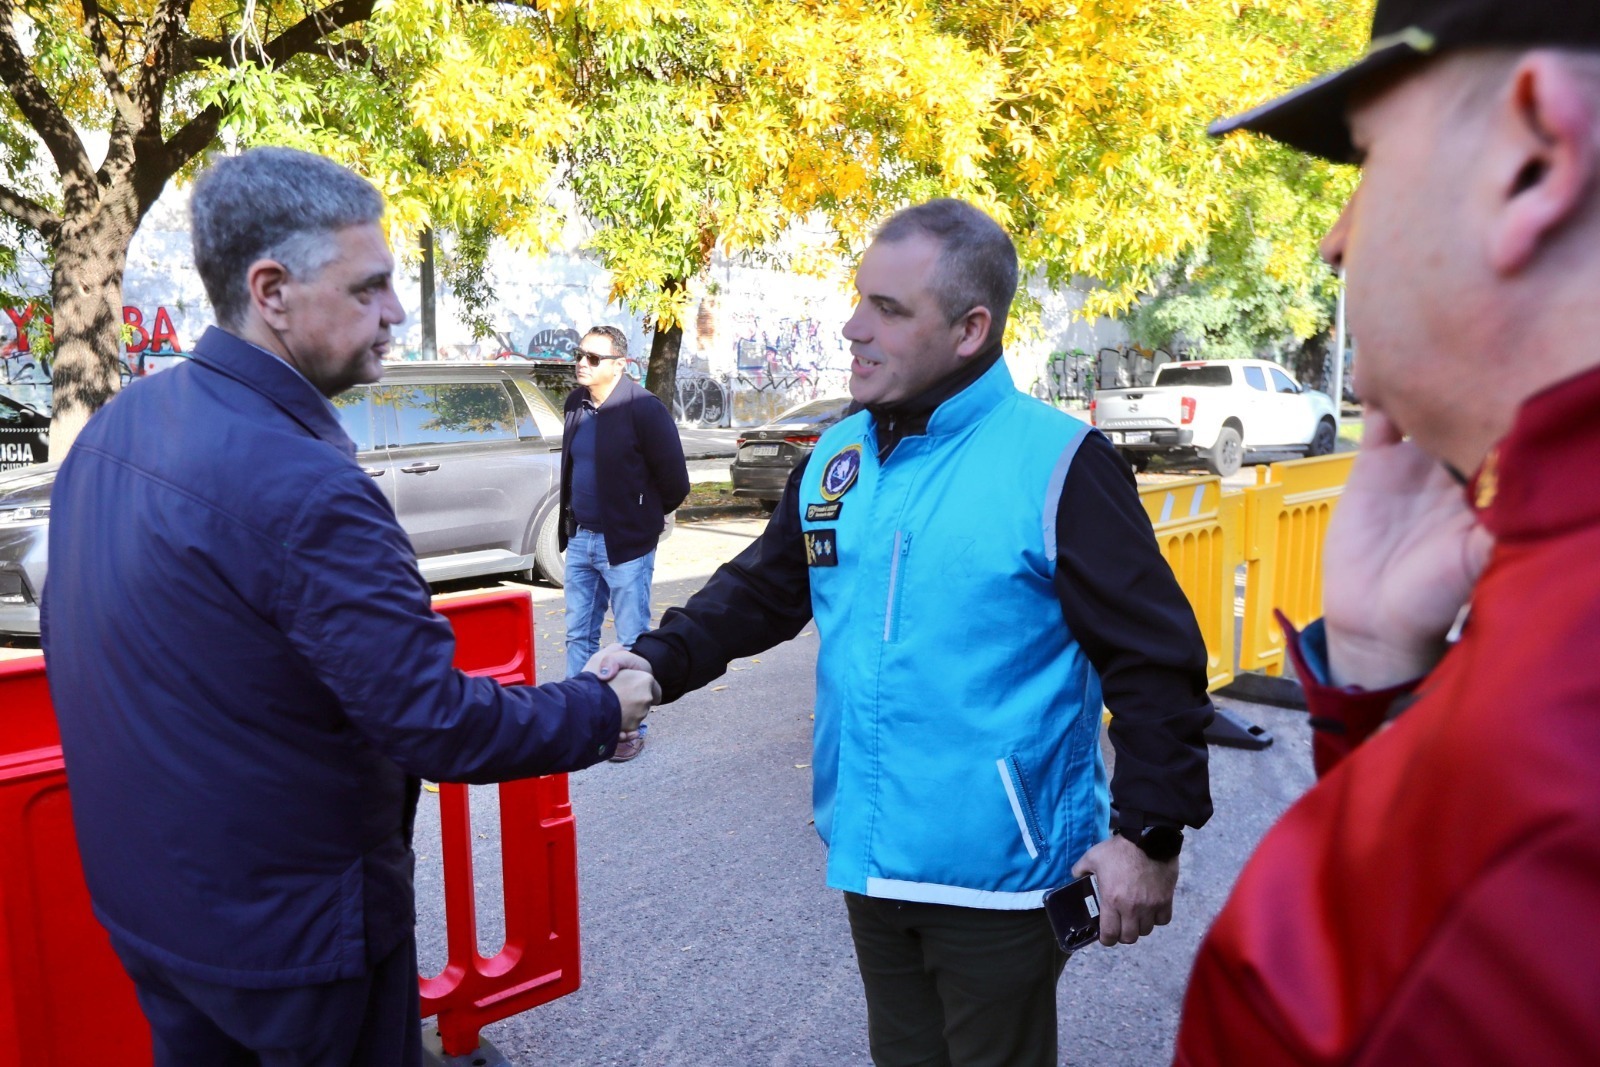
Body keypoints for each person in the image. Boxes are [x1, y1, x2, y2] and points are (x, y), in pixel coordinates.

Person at [40, 147, 657, 1067]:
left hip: (157, 908)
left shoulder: (126, 421)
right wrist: (602, 706)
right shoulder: (304, 483)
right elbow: (437, 721)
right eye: (369, 287)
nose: (396, 312)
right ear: (272, 290)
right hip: (292, 946)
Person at [609, 199, 1215, 1066]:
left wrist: (1150, 835)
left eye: (888, 310)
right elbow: (761, 592)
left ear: (971, 329)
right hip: (870, 855)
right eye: (860, 300)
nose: (852, 328)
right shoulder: (837, 455)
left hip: (998, 874)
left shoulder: (1060, 465)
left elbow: (1154, 660)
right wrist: (652, 666)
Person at [1176, 2, 1600, 1062]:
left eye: (1363, 159)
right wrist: (1372, 679)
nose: (1332, 237)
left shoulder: (1539, 796)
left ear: (1535, 155)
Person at [559, 324, 689, 762]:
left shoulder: (642, 408)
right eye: (580, 354)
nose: (582, 363)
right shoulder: (576, 403)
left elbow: (675, 482)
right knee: (579, 634)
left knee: (632, 638)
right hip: (581, 538)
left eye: (593, 358)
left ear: (618, 364)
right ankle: (581, 721)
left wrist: (640, 518)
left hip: (626, 545)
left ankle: (630, 727)